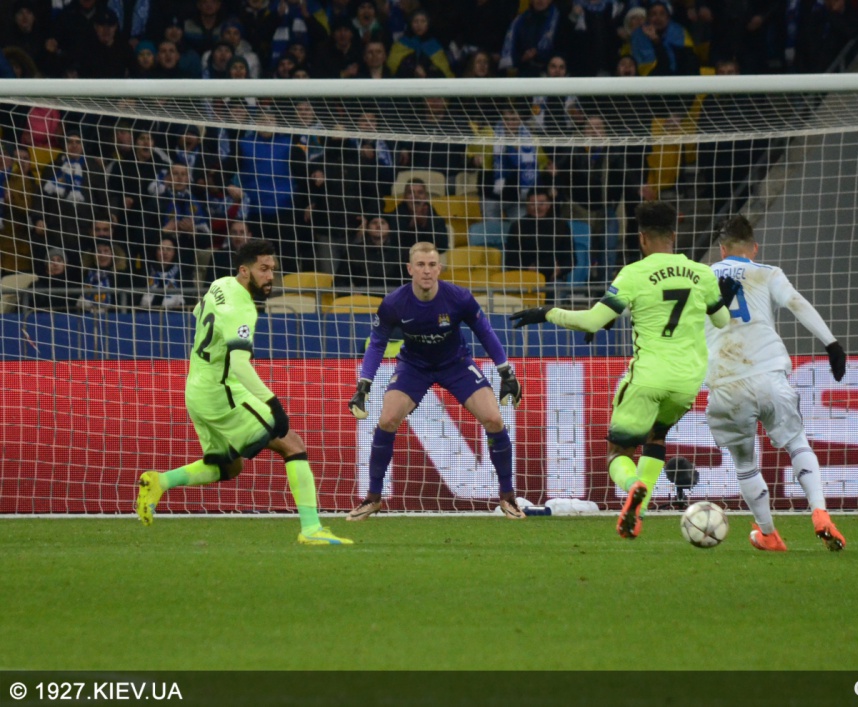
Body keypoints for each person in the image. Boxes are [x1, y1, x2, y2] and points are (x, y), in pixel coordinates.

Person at [511, 202, 738, 539]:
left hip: (649, 375)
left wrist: (547, 312)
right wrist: (723, 299)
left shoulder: (634, 273)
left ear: (642, 237)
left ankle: (633, 486)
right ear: (673, 235)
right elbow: (721, 321)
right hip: (688, 380)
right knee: (656, 437)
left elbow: (593, 320)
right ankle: (638, 513)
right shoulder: (702, 273)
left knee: (618, 453)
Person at [135, 239, 352, 546]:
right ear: (245, 270)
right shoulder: (242, 309)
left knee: (229, 466)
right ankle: (311, 529)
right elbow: (239, 364)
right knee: (293, 445)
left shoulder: (220, 284)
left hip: (196, 389)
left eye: (272, 269)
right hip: (222, 392)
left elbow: (198, 313)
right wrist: (273, 404)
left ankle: (160, 481)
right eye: (263, 269)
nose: (270, 276)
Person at [346, 241, 526, 521]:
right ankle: (372, 498)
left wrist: (506, 372)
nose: (426, 271)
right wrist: (363, 385)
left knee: (494, 420)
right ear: (410, 269)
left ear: (439, 269)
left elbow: (485, 332)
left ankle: (508, 497)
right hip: (414, 366)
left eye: (432, 265)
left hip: (456, 364)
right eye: (420, 265)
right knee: (387, 420)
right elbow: (378, 342)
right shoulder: (394, 303)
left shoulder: (459, 298)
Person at [705, 216, 847, 552]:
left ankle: (768, 533)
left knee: (744, 463)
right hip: (769, 372)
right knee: (797, 442)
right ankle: (819, 511)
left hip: (726, 381)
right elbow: (797, 303)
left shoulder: (702, 277)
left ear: (722, 249)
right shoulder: (767, 272)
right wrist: (831, 344)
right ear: (754, 248)